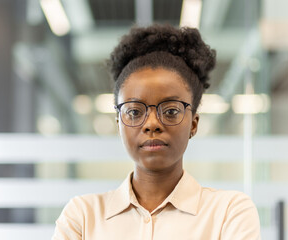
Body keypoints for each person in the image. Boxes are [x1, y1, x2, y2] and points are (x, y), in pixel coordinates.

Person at [52, 24, 261, 240]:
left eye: (170, 111)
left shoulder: (230, 212)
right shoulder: (82, 216)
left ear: (193, 124)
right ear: (119, 124)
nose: (151, 124)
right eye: (134, 112)